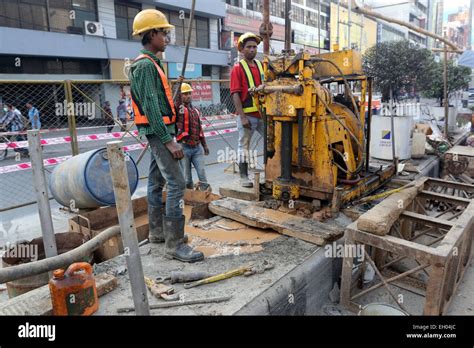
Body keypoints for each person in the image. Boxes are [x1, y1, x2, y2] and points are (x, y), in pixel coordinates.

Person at [130, 9, 203, 263]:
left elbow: (158, 103)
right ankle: (174, 244)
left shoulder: (151, 64)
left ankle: (158, 234)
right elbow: (150, 108)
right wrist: (169, 140)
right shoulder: (145, 66)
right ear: (152, 34)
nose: (167, 36)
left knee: (155, 182)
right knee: (177, 183)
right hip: (159, 133)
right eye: (163, 32)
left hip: (158, 132)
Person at [230, 32, 264, 188]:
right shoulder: (237, 68)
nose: (252, 49)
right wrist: (242, 117)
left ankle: (271, 171)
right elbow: (235, 94)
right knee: (244, 145)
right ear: (242, 49)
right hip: (247, 116)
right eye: (249, 47)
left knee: (272, 142)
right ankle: (244, 176)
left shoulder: (260, 66)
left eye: (255, 47)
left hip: (263, 115)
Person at [175, 80, 210, 191]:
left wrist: (204, 145)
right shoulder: (180, 110)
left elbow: (200, 130)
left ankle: (204, 195)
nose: (188, 96)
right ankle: (189, 197)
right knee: (187, 179)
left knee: (202, 175)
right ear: (181, 95)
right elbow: (176, 102)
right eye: (185, 94)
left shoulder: (195, 111)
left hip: (197, 148)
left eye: (189, 93)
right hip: (184, 148)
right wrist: (178, 85)